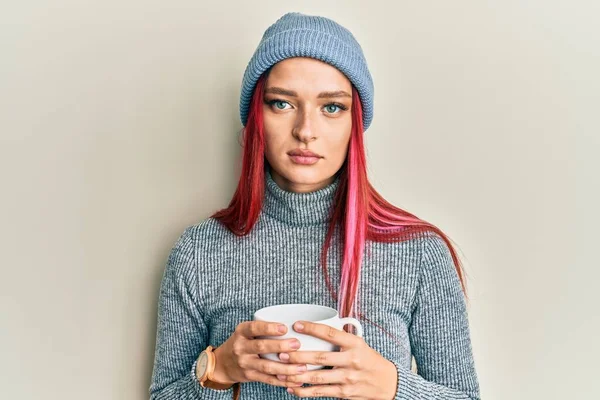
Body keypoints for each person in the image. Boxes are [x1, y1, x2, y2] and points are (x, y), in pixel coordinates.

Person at [149, 11, 480, 400]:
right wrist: (219, 370)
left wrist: (392, 387)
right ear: (257, 117)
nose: (306, 130)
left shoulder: (419, 251)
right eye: (282, 104)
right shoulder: (197, 251)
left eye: (332, 107)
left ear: (354, 123)